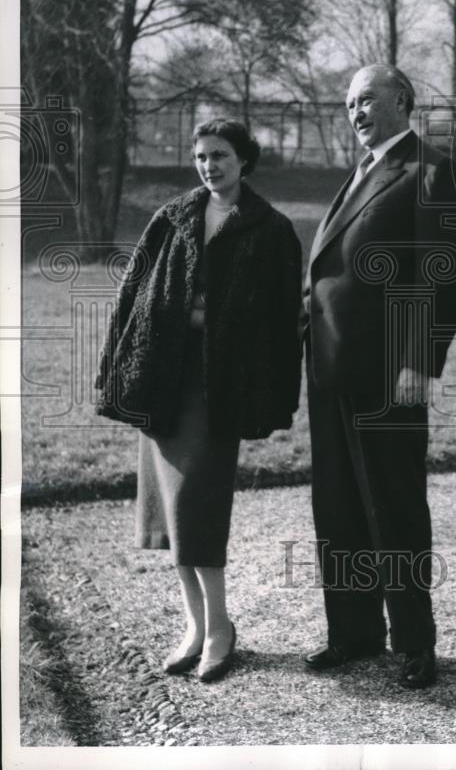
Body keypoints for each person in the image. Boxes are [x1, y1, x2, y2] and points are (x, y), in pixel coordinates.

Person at [95, 118, 302, 683]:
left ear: (245, 160)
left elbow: (284, 321)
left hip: (219, 389)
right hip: (164, 382)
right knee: (169, 514)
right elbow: (132, 293)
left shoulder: (269, 227)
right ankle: (194, 625)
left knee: (199, 510)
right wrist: (118, 366)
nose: (211, 165)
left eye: (222, 155)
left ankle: (221, 628)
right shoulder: (173, 217)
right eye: (202, 156)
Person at [301, 64, 456, 689]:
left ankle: (416, 643)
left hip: (388, 377)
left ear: (401, 99)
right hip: (329, 369)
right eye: (348, 103)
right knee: (338, 507)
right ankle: (354, 632)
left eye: (366, 99)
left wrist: (419, 362)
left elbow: (445, 276)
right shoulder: (361, 171)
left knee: (393, 508)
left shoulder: (429, 171)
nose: (355, 112)